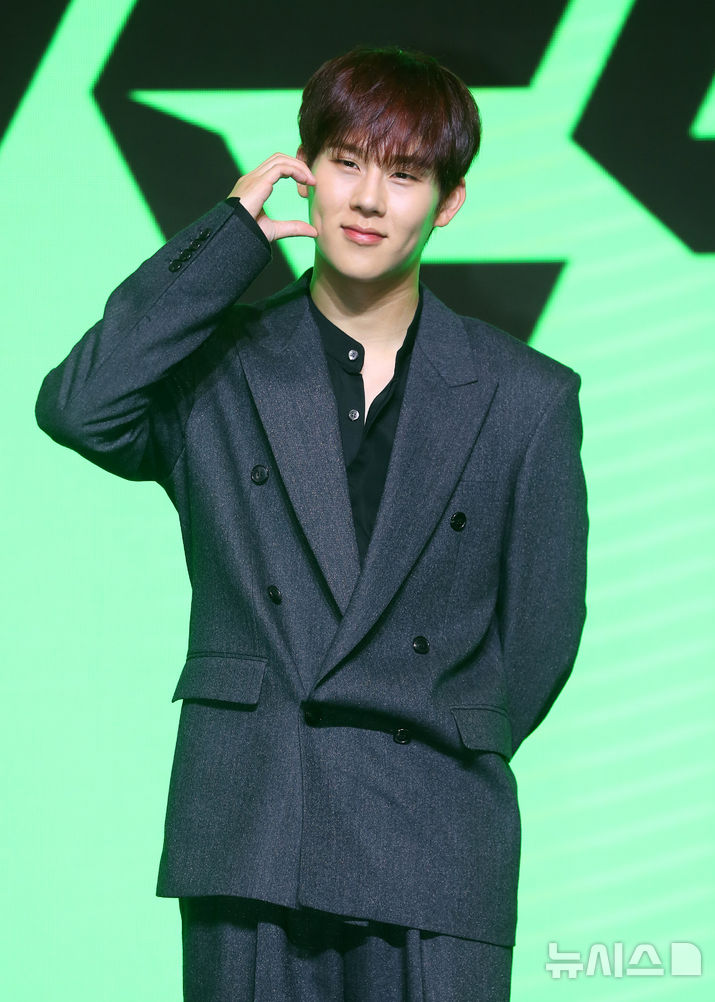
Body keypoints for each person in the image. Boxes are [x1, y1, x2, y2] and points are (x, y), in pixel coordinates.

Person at [35, 45, 588, 1002]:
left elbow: (540, 631)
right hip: (254, 821)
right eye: (346, 162)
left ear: (448, 202)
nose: (368, 199)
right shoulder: (217, 371)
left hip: (434, 828)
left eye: (404, 174)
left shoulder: (525, 396)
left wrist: (444, 729)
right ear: (306, 169)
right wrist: (226, 242)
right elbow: (80, 407)